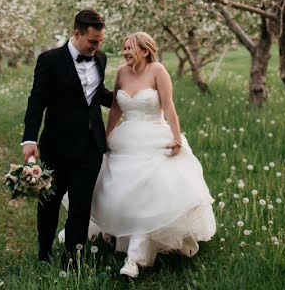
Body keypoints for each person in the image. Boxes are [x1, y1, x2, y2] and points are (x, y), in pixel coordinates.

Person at [91, 31, 216, 278]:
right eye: (124, 48)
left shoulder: (158, 70)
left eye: (129, 48)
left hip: (154, 137)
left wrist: (177, 138)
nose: (125, 52)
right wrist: (106, 136)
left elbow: (169, 107)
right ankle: (121, 234)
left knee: (149, 193)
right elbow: (116, 108)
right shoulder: (121, 73)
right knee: (117, 190)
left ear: (145, 51)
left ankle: (135, 258)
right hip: (126, 140)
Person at [21, 9, 113, 265]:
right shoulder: (49, 60)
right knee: (49, 203)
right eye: (92, 41)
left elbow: (96, 93)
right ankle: (44, 254)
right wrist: (29, 139)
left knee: (81, 206)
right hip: (57, 145)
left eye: (100, 42)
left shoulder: (101, 59)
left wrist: (130, 97)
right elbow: (36, 101)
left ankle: (73, 257)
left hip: (91, 146)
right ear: (76, 34)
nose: (97, 47)